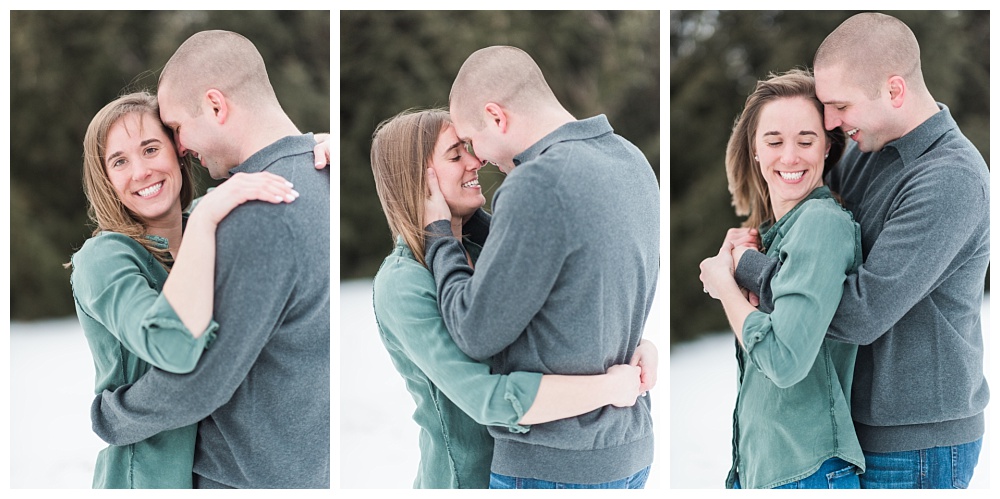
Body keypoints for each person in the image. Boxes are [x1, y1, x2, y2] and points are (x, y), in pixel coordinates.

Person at [729, 13, 990, 489]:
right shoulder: (867, 151)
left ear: (894, 91)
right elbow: (803, 239)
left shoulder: (950, 179)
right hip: (854, 431)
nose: (830, 122)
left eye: (839, 106)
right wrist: (751, 243)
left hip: (915, 443)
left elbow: (860, 313)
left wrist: (747, 271)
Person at [89, 30, 331, 489]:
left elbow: (201, 381)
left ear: (216, 106)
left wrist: (111, 416)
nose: (180, 148)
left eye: (175, 129)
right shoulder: (322, 172)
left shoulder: (257, 208)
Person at [370, 108, 658, 489]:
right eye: (456, 156)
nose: (476, 162)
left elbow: (565, 314)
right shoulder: (403, 283)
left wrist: (636, 346)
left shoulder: (488, 245)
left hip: (540, 470)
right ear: (415, 179)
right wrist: (609, 388)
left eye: (469, 149)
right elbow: (489, 398)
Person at [698, 69, 865, 489]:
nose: (789, 157)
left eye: (806, 141)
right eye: (774, 141)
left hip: (806, 472)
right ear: (754, 149)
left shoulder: (822, 225)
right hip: (762, 470)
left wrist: (724, 287)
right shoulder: (774, 235)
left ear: (828, 147)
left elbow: (783, 361)